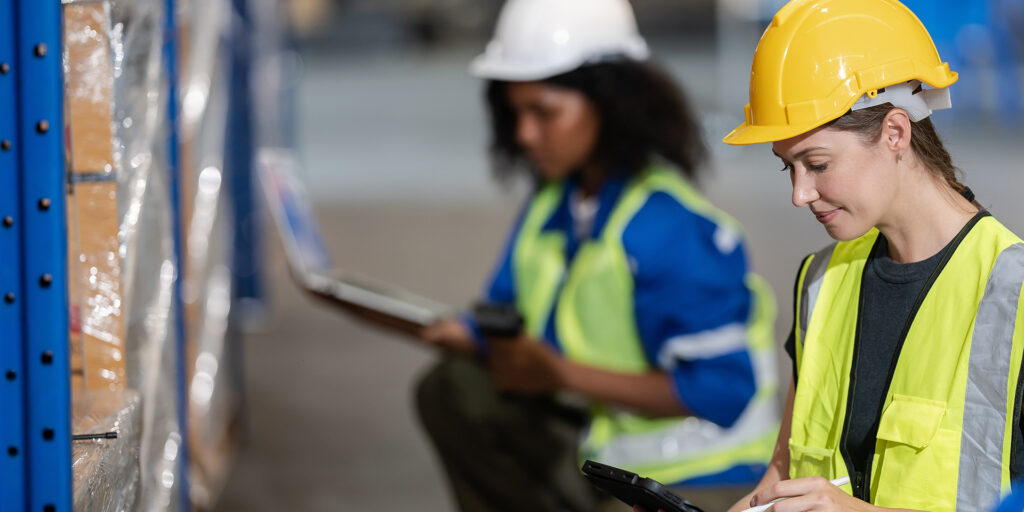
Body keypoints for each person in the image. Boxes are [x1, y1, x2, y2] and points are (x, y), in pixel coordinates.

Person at [413, 0, 780, 511]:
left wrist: (559, 374)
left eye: (544, 113)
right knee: (454, 389)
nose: (524, 134)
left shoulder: (669, 228)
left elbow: (723, 391)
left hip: (695, 482)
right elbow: (514, 313)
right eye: (515, 112)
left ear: (611, 104)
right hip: (610, 452)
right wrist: (473, 336)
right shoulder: (551, 204)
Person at [718, 0, 1024, 511]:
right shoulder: (822, 280)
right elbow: (781, 479)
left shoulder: (1013, 293)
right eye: (787, 168)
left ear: (896, 133)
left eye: (816, 163)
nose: (799, 194)